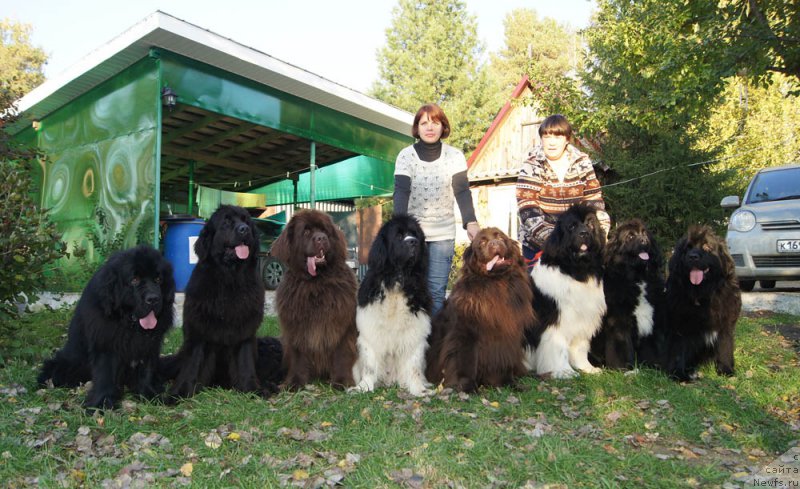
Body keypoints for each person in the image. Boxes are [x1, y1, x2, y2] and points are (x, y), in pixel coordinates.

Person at [393, 103, 480, 316]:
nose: (429, 128)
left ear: (443, 127)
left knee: (435, 292)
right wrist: (399, 227)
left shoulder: (454, 156)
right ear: (417, 128)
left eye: (435, 123)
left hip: (443, 234)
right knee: (409, 289)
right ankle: (412, 345)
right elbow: (401, 191)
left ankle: (434, 345)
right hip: (413, 235)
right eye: (424, 123)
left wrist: (471, 221)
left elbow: (461, 191)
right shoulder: (406, 156)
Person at [516, 114, 610, 265]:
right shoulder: (531, 165)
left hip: (578, 241)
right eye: (547, 137)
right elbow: (528, 208)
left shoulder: (582, 162)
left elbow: (594, 202)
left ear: (567, 139)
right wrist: (554, 240)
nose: (552, 143)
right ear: (541, 139)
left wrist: (599, 233)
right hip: (539, 244)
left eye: (558, 137)